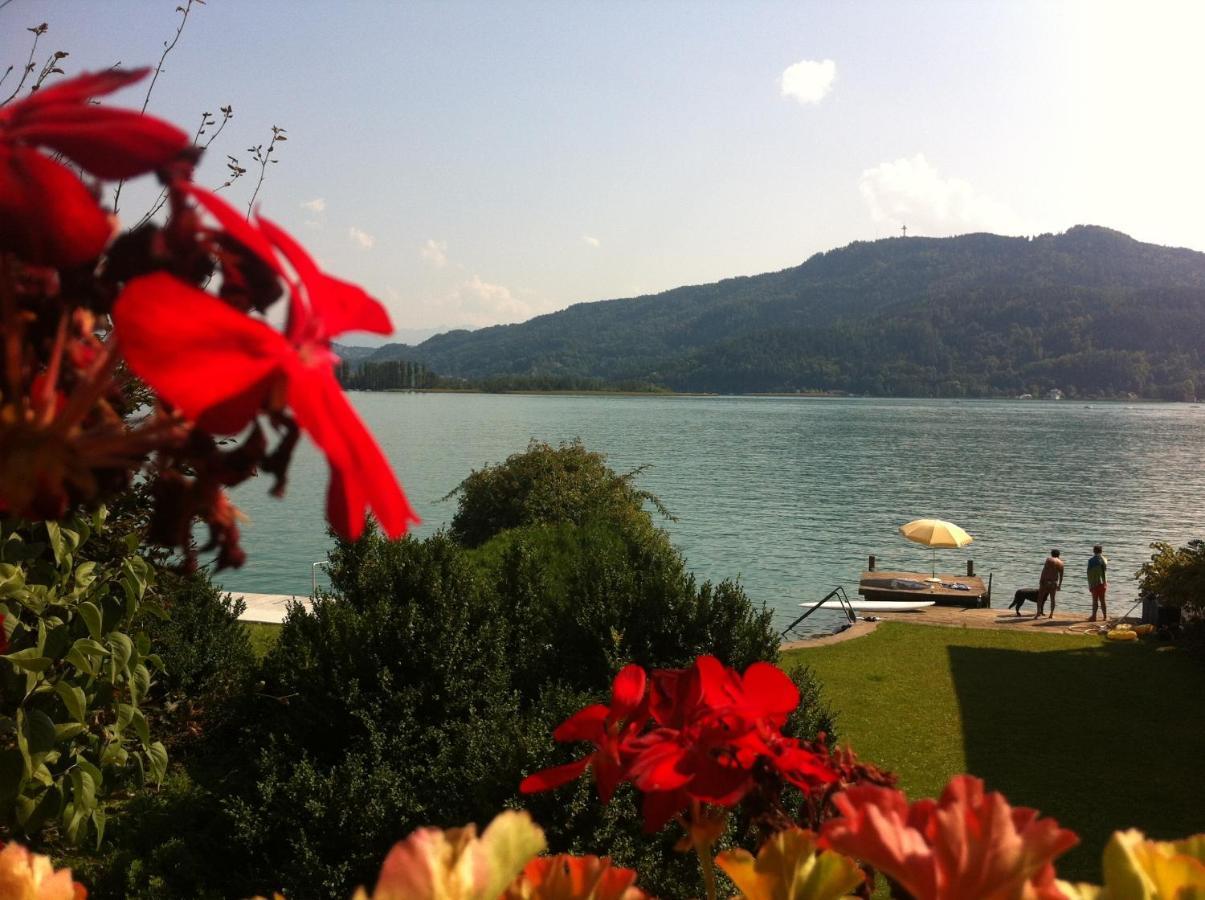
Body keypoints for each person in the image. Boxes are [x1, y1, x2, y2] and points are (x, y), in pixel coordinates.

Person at [1035, 549, 1063, 618]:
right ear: (1059, 555)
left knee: (1040, 598)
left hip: (1046, 581)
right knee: (1052, 599)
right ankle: (1051, 614)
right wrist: (1059, 585)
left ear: (1051, 554)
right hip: (1054, 583)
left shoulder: (1049, 560)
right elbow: (1061, 576)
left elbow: (1044, 571)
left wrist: (1041, 580)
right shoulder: (1061, 563)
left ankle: (1038, 613)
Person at [1087, 544, 1108, 622]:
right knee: (1103, 600)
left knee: (1095, 600)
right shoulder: (1105, 560)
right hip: (1103, 583)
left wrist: (1090, 585)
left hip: (1094, 583)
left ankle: (1094, 617)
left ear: (1094, 551)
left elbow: (1089, 573)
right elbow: (1104, 571)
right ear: (1101, 551)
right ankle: (1105, 616)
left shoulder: (1091, 560)